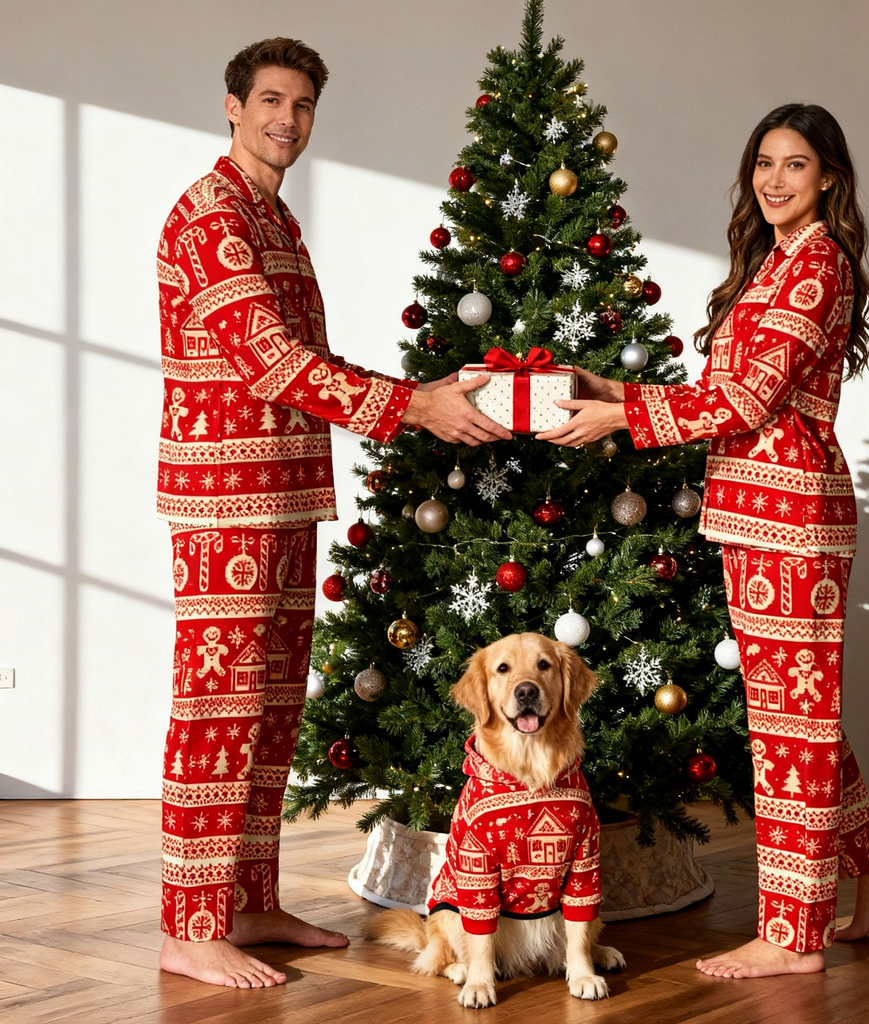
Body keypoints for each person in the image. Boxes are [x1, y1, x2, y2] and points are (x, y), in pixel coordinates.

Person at [156, 37, 510, 990]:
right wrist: (415, 410)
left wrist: (419, 393)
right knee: (218, 707)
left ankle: (250, 900)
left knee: (272, 709)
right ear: (232, 105)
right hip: (225, 502)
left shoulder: (275, 223)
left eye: (303, 105)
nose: (288, 120)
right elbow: (269, 362)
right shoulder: (211, 218)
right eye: (271, 100)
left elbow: (316, 363)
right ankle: (189, 925)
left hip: (283, 494)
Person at [538, 103, 869, 979]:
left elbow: (745, 404)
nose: (775, 180)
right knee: (792, 715)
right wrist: (606, 387)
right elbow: (726, 386)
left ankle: (793, 939)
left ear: (828, 178)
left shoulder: (817, 266)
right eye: (764, 164)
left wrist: (622, 418)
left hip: (796, 523)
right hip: (753, 516)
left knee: (795, 725)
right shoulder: (774, 264)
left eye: (795, 165)